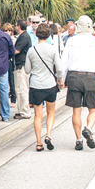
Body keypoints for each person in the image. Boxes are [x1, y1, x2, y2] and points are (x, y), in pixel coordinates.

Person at [61, 15, 95, 151]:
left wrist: (60, 78)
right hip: (90, 77)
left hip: (74, 77)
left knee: (76, 111)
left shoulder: (71, 41)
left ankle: (78, 140)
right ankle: (88, 128)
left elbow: (64, 61)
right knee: (93, 109)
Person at [25, 23, 64, 151]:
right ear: (48, 35)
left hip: (36, 84)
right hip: (50, 84)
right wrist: (60, 79)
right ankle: (48, 135)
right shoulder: (52, 49)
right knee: (51, 112)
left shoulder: (32, 50)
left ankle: (39, 142)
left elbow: (27, 69)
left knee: (38, 114)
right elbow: (59, 68)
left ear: (36, 34)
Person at [13, 19, 32, 120]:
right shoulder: (23, 36)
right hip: (20, 65)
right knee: (19, 89)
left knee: (22, 89)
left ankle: (25, 111)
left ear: (19, 27)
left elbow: (16, 50)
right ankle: (21, 110)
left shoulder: (24, 37)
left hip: (22, 65)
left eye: (16, 25)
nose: (15, 27)